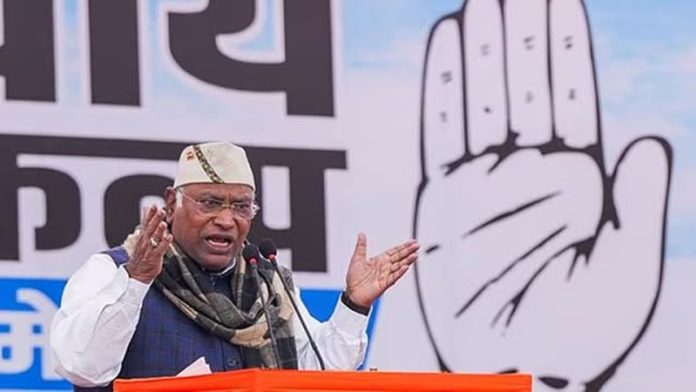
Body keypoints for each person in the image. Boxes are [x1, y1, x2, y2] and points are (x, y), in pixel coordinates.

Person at [49, 141, 420, 390]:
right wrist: (136, 280)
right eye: (210, 202)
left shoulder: (267, 283)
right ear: (171, 202)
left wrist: (354, 305)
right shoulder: (111, 270)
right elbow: (83, 366)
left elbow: (317, 374)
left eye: (241, 206)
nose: (227, 220)